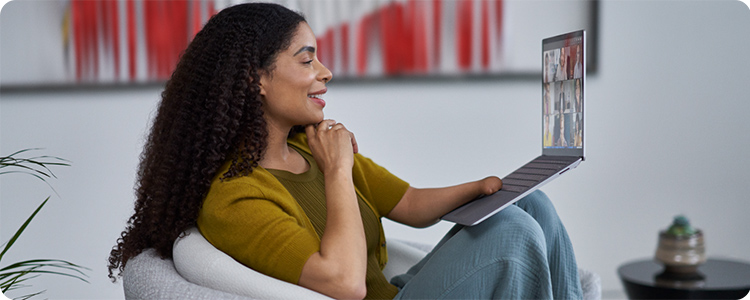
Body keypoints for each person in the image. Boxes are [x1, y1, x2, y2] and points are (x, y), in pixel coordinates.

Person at [107, 3, 582, 299]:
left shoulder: (311, 147)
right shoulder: (234, 198)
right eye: (306, 58)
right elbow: (345, 284)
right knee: (514, 234)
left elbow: (412, 205)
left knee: (530, 205)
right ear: (257, 80)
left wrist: (484, 188)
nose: (326, 71)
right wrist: (338, 171)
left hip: (401, 290)